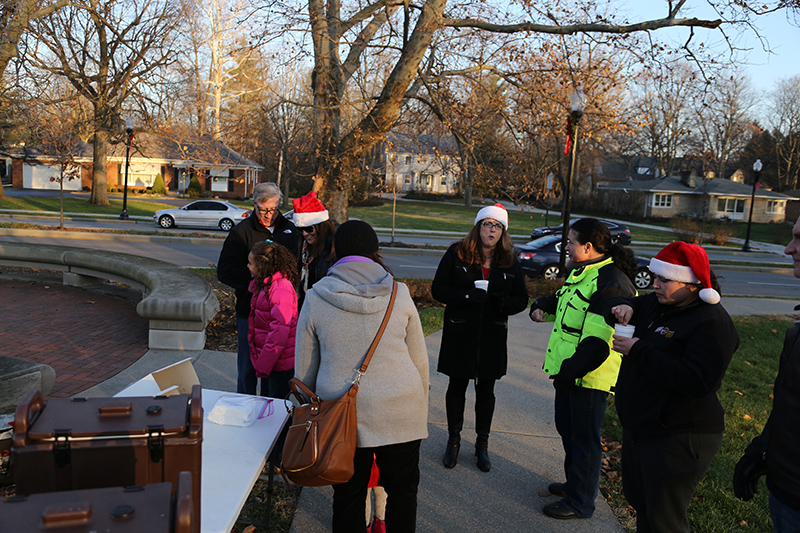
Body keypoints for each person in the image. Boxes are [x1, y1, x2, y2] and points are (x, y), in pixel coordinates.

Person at [295, 220, 429, 533]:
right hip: (402, 408)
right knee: (403, 492)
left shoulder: (316, 297)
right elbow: (419, 360)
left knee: (348, 494)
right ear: (375, 251)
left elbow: (304, 371)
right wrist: (420, 406)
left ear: (335, 251)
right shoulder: (400, 294)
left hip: (342, 416)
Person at [606, 241, 738, 533]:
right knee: (645, 508)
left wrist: (639, 351)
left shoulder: (712, 323)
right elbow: (609, 306)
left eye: (664, 280)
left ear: (691, 284)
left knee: (665, 520)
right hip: (644, 429)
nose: (654, 285)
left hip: (680, 435)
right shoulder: (658, 303)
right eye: (655, 277)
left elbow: (697, 381)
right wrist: (623, 306)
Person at [529, 217, 637, 520]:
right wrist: (543, 305)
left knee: (584, 439)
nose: (566, 247)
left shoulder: (611, 282)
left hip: (589, 376)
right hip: (571, 372)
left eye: (571, 242)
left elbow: (597, 342)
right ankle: (574, 484)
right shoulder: (585, 272)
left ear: (588, 247)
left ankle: (581, 502)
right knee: (569, 432)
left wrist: (569, 374)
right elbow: (565, 302)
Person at [432, 203, 528, 473]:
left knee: (486, 391)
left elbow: (522, 298)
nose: (491, 230)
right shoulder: (458, 253)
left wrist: (502, 303)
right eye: (487, 224)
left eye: (497, 226)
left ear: (503, 231)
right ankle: (453, 442)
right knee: (457, 387)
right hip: (460, 332)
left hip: (492, 336)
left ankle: (481, 446)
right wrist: (464, 297)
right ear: (478, 227)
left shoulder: (509, 259)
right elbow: (438, 288)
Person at [733, 215, 800, 532]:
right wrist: (763, 450)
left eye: (799, 239)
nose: (789, 249)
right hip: (785, 490)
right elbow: (789, 404)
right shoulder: (796, 332)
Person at [217, 182, 299, 395]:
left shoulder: (289, 230)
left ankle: (270, 412)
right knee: (248, 369)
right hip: (249, 311)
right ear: (254, 205)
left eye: (272, 209)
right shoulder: (241, 232)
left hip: (280, 311)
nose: (267, 215)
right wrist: (255, 287)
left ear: (278, 204)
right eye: (262, 210)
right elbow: (224, 271)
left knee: (275, 370)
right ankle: (245, 406)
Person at [246, 240, 298, 401]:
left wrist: (264, 364)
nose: (248, 266)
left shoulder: (280, 287)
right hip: (271, 363)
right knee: (268, 402)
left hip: (279, 364)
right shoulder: (266, 286)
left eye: (251, 263)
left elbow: (279, 332)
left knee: (277, 408)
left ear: (262, 266)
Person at [291, 191, 337, 309]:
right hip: (305, 308)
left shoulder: (334, 247)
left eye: (308, 228)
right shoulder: (300, 247)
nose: (305, 234)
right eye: (301, 229)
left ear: (320, 226)